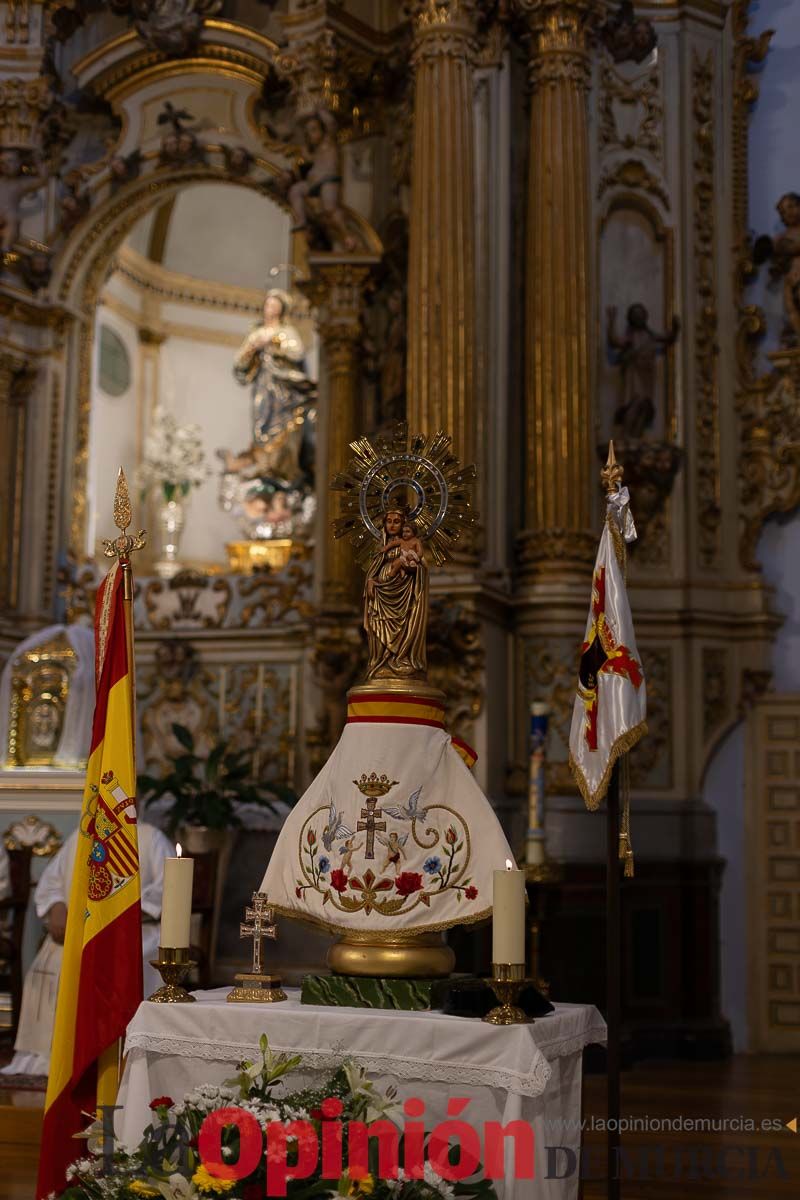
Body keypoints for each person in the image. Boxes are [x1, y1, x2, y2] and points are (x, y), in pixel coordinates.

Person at [1, 821, 173, 1077]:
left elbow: (167, 888)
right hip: (77, 931)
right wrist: (57, 906)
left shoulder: (151, 837)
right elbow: (51, 882)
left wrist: (117, 916)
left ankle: (117, 1058)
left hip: (132, 932)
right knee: (54, 956)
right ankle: (55, 1054)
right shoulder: (83, 836)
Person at [363, 508, 429, 681]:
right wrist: (371, 581)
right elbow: (373, 571)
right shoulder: (382, 547)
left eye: (397, 522)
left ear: (404, 524)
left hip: (405, 594)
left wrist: (412, 567)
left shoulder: (411, 543)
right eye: (389, 521)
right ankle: (380, 662)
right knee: (378, 625)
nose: (392, 525)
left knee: (405, 625)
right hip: (381, 593)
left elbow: (420, 565)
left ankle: (401, 659)